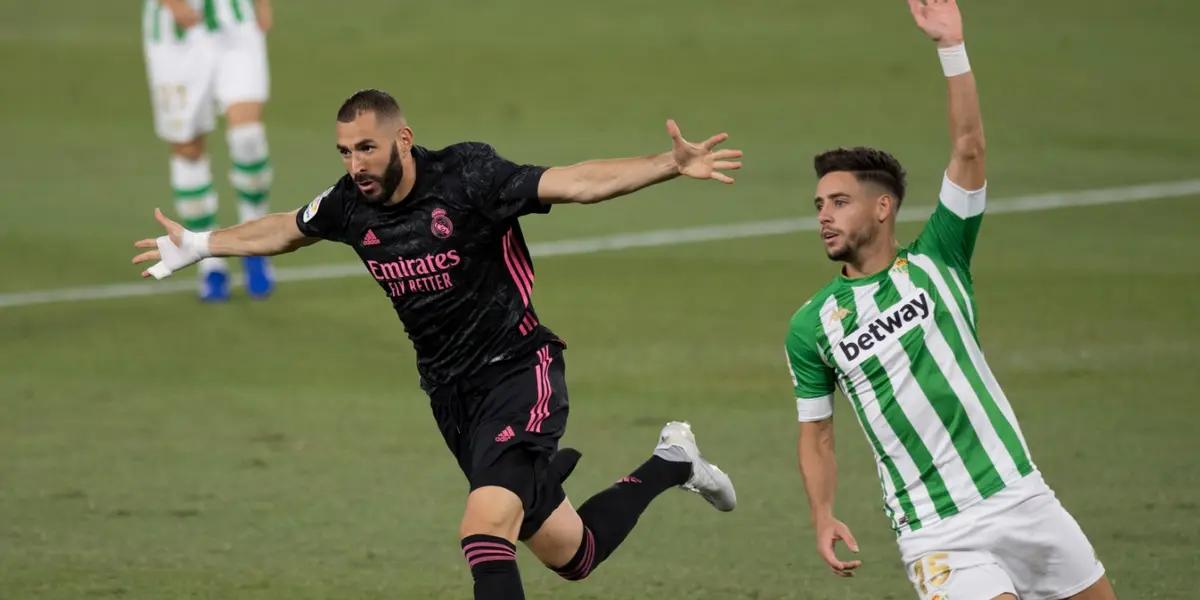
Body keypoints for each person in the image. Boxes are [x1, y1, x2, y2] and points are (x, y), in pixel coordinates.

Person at [132, 89, 741, 599]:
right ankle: (673, 462)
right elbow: (288, 229)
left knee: (482, 532)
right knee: (572, 554)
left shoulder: (468, 177)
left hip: (518, 371)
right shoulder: (350, 204)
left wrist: (668, 163)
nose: (355, 165)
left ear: (402, 139)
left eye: (366, 147)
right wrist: (203, 243)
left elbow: (576, 182)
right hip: (452, 399)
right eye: (344, 152)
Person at [785, 2, 1117, 598]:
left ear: (882, 207)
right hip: (938, 530)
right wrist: (822, 513)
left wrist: (951, 48)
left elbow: (969, 150)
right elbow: (817, 434)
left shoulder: (940, 256)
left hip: (1023, 495)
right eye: (818, 206)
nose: (824, 218)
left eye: (838, 202)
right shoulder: (812, 326)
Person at [142, 0, 275, 301]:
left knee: (248, 136)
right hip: (173, 31)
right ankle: (209, 261)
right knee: (188, 149)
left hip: (235, 20)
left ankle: (255, 243)